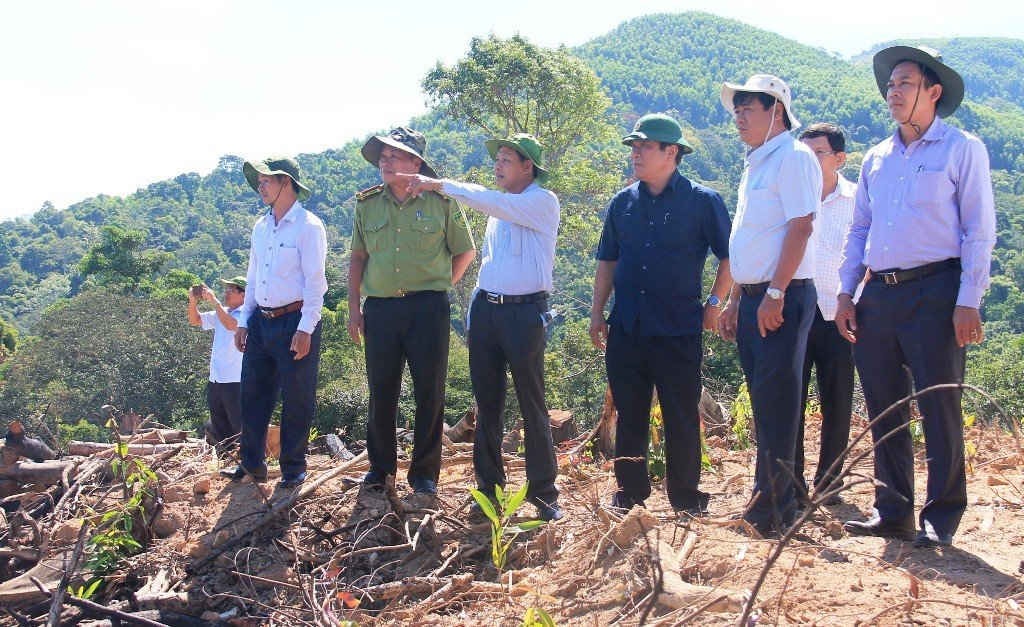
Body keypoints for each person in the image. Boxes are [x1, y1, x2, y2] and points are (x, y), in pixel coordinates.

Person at [837, 46, 996, 548]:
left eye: (905, 83)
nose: (894, 92)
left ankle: (942, 517)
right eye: (890, 85)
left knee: (939, 404)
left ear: (933, 92)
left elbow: (979, 228)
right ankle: (893, 511)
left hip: (938, 289)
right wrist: (846, 290)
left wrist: (969, 298)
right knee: (885, 406)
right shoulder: (877, 157)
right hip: (878, 295)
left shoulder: (961, 148)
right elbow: (859, 227)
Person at [395, 133, 563, 520]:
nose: (498, 165)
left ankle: (543, 494)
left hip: (525, 314)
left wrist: (440, 185)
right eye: (498, 159)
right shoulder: (498, 209)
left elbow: (493, 201)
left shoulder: (541, 201)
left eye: (507, 159)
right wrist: (475, 313)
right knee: (487, 405)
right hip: (488, 311)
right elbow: (489, 262)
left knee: (532, 403)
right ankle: (488, 489)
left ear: (528, 167)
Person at [590, 113, 732, 516]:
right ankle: (630, 493)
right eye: (634, 147)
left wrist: (715, 304)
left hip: (679, 328)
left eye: (644, 146)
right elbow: (607, 262)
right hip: (628, 326)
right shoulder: (623, 202)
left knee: (681, 414)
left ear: (672, 152)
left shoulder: (703, 201)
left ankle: (687, 497)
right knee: (630, 413)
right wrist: (598, 313)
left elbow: (729, 257)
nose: (635, 153)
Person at [717, 75, 822, 536]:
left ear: (775, 111)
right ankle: (782, 497)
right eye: (736, 109)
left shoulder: (794, 158)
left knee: (777, 405)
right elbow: (752, 240)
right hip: (755, 296)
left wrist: (776, 293)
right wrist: (737, 297)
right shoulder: (756, 162)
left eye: (748, 108)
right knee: (766, 402)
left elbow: (801, 226)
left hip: (783, 296)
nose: (738, 117)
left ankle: (772, 512)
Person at [348, 127, 476, 496]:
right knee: (382, 391)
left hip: (427, 309)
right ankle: (380, 469)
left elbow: (464, 251)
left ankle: (424, 475)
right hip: (381, 310)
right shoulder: (368, 203)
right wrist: (354, 309)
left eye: (394, 156)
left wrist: (440, 285)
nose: (385, 162)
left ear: (416, 163)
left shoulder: (441, 202)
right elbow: (358, 257)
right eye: (382, 157)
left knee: (429, 393)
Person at [224, 156, 328, 489]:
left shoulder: (309, 226)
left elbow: (316, 283)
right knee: (252, 395)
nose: (260, 185)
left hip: (294, 318)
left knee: (297, 397)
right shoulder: (260, 226)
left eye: (266, 179)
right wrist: (245, 321)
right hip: (261, 321)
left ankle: (293, 468)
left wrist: (305, 328)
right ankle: (251, 464)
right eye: (260, 180)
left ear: (286, 182)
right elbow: (253, 277)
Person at [794, 123, 857, 504]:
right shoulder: (792, 195)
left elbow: (866, 253)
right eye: (806, 153)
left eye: (818, 153)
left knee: (838, 399)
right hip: (795, 311)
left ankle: (830, 480)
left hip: (839, 311)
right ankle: (793, 478)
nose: (811, 161)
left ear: (839, 158)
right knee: (792, 399)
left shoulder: (858, 198)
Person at [187, 276, 246, 448]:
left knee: (239, 425)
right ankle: (225, 460)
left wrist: (214, 302)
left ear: (244, 295)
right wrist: (193, 301)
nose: (226, 292)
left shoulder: (247, 314)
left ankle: (247, 462)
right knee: (220, 424)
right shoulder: (222, 312)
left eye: (231, 289)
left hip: (236, 380)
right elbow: (195, 320)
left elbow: (231, 325)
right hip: (216, 379)